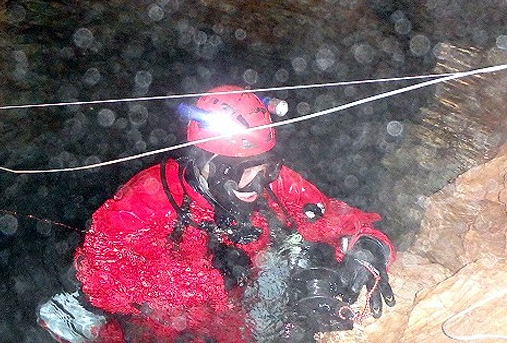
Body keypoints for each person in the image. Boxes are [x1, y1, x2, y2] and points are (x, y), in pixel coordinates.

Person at [39, 86, 395, 342]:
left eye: (265, 167)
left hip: (245, 313)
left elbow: (344, 221)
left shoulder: (273, 181)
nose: (257, 183)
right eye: (241, 170)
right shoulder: (148, 197)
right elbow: (99, 277)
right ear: (204, 162)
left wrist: (368, 251)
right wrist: (209, 283)